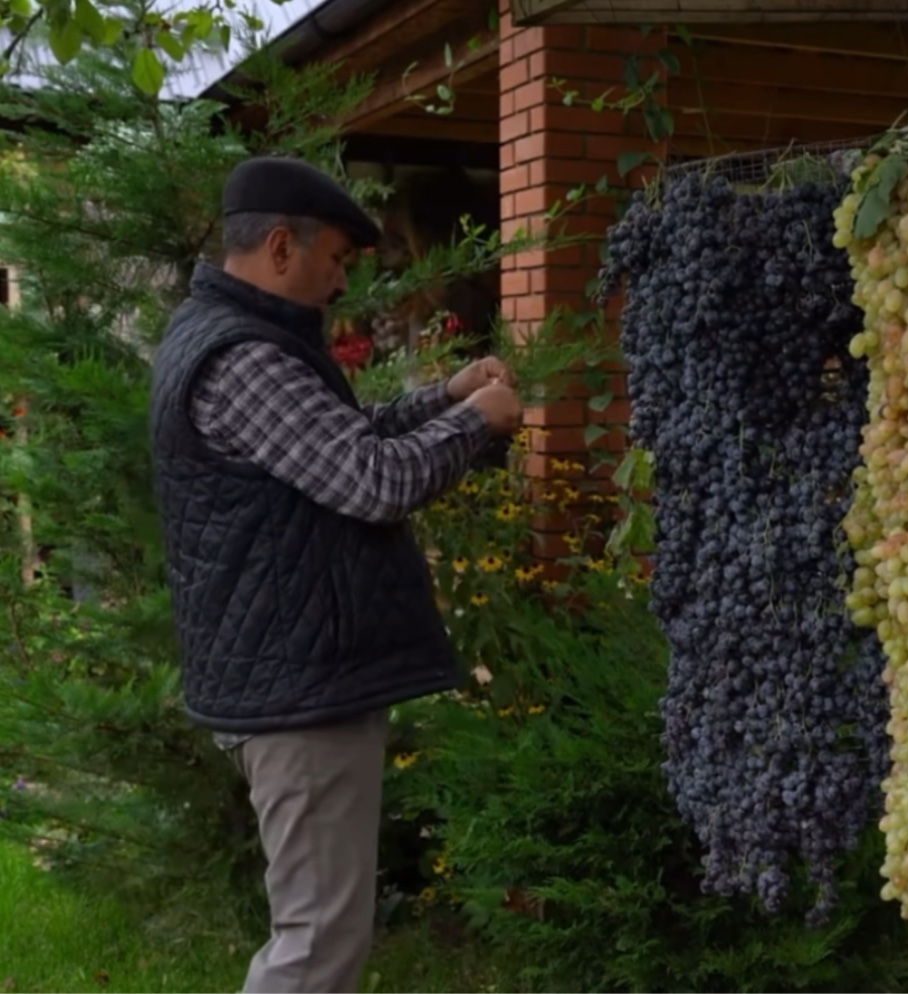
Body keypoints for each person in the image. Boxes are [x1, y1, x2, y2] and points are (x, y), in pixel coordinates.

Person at [148, 156, 523, 993]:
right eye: (338, 261)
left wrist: (443, 394)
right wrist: (475, 422)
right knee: (315, 946)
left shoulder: (230, 337)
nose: (343, 280)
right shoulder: (244, 358)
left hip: (288, 674)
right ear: (282, 246)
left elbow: (339, 437)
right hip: (297, 686)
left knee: (317, 932)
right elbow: (371, 481)